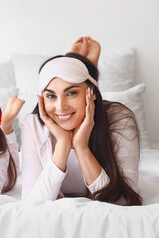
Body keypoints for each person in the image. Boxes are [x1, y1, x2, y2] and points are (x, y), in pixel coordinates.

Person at [21, 36, 142, 205]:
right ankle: (85, 69)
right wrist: (63, 143)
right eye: (50, 95)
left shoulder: (120, 119)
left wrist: (81, 147)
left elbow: (124, 203)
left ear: (90, 93)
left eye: (71, 93)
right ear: (41, 99)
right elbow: (31, 204)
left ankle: (87, 72)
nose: (60, 107)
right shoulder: (32, 124)